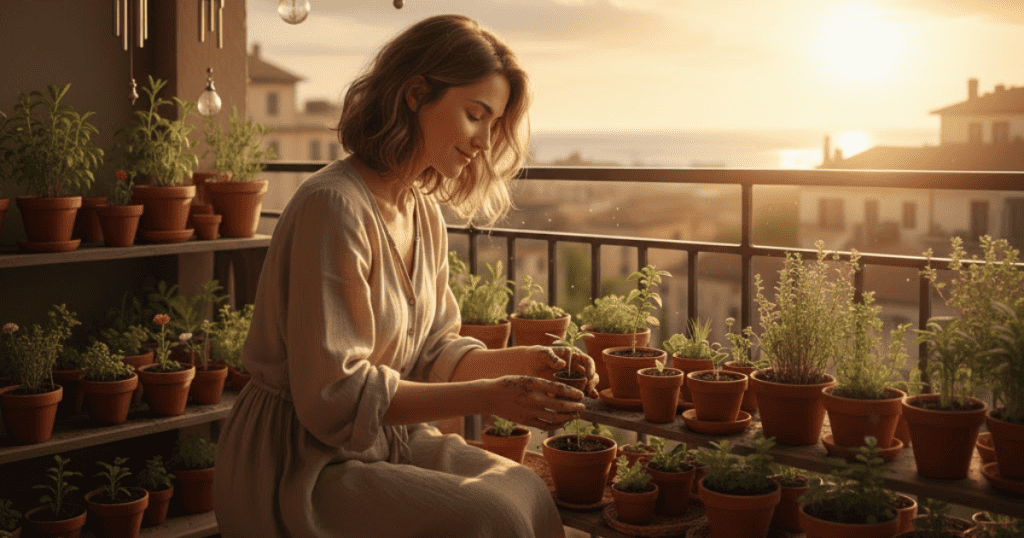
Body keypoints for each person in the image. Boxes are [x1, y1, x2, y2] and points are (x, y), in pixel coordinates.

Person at [212, 14, 600, 538]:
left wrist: (533, 364)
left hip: (378, 438)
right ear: (416, 94)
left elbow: (436, 353)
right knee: (491, 517)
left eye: (494, 123)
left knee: (525, 488)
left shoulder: (422, 213)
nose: (485, 142)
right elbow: (334, 399)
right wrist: (492, 396)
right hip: (299, 460)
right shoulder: (335, 207)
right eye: (474, 115)